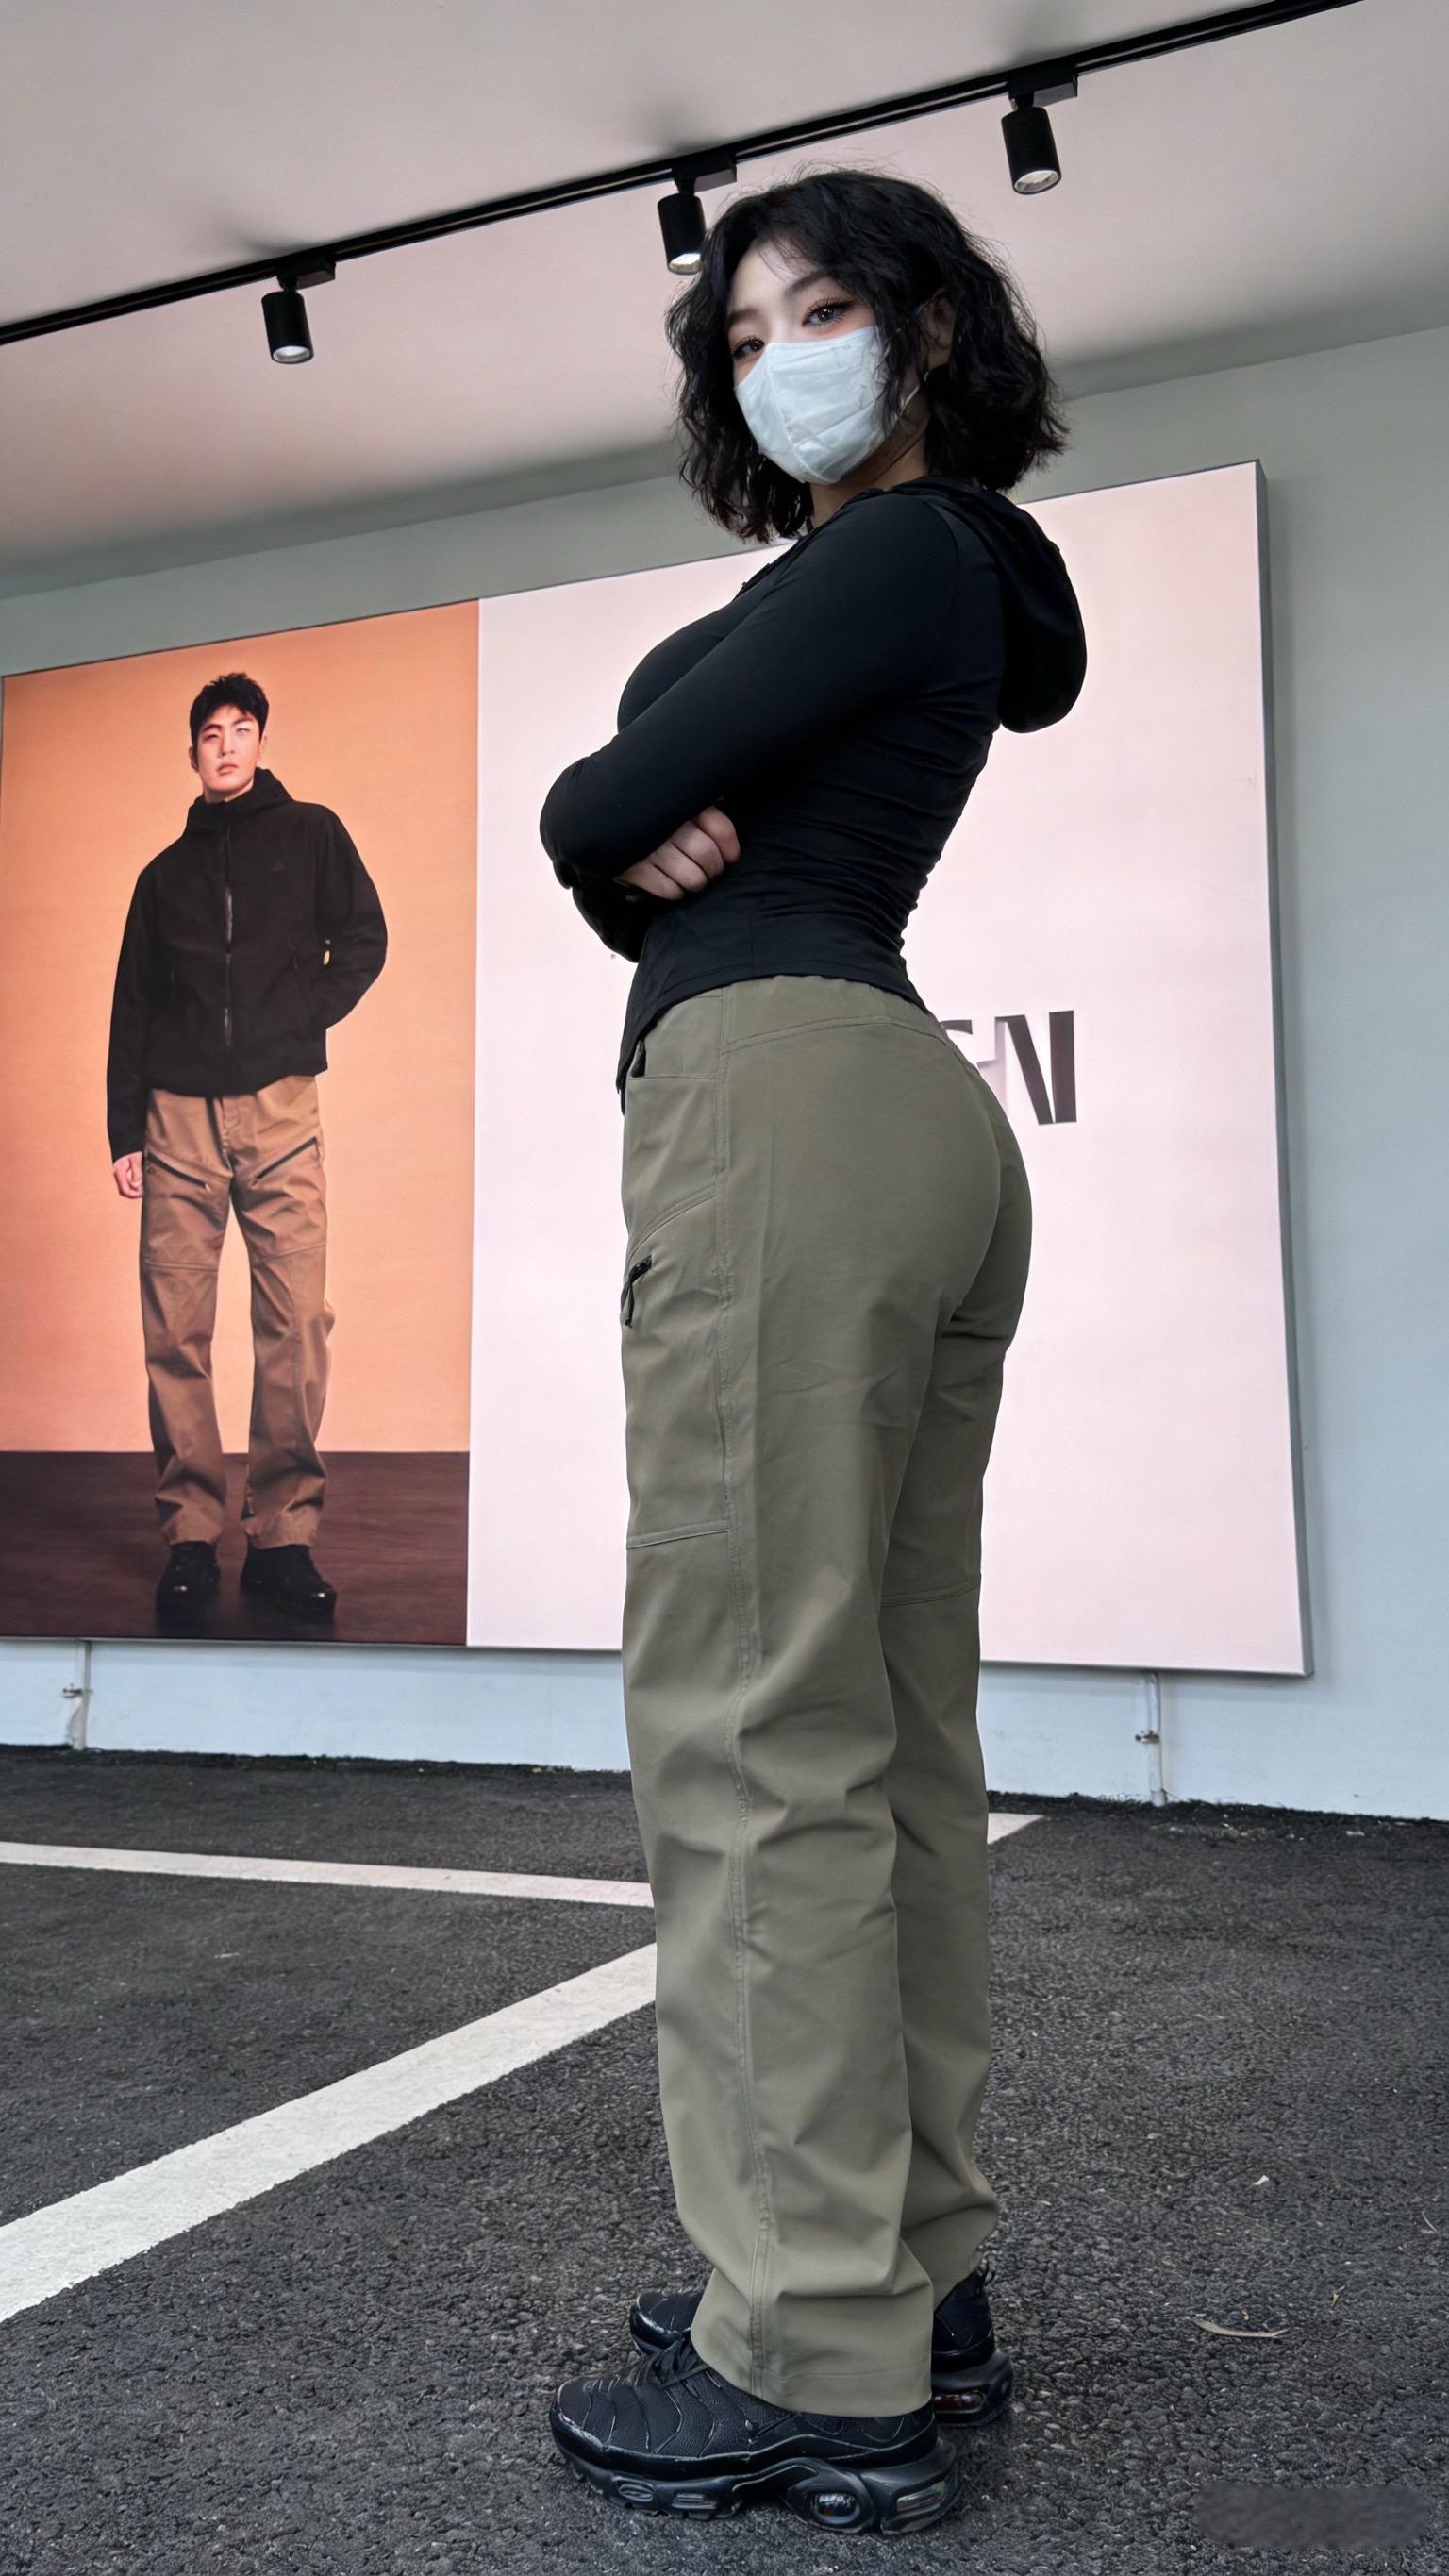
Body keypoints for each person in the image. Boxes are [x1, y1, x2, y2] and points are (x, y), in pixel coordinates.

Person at [538, 167, 1087, 2534]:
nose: (780, 359)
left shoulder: (898, 550)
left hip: (783, 1096)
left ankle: (808, 2348)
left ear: (929, 327)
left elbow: (599, 809)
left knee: (754, 1731)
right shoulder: (943, 577)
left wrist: (601, 816)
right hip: (892, 1104)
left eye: (823, 307)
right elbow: (633, 835)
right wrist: (625, 832)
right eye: (741, 336)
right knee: (877, 1730)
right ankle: (902, 2274)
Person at [106, 674, 387, 1623]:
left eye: (241, 729)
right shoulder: (161, 879)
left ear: (261, 742)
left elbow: (364, 939)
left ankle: (282, 1538)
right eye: (210, 734)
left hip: (279, 1110)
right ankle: (190, 1536)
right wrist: (125, 1130)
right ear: (192, 752)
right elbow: (132, 1009)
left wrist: (300, 1020)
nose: (225, 745)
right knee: (175, 1331)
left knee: (296, 1321)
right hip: (176, 1118)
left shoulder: (312, 835)